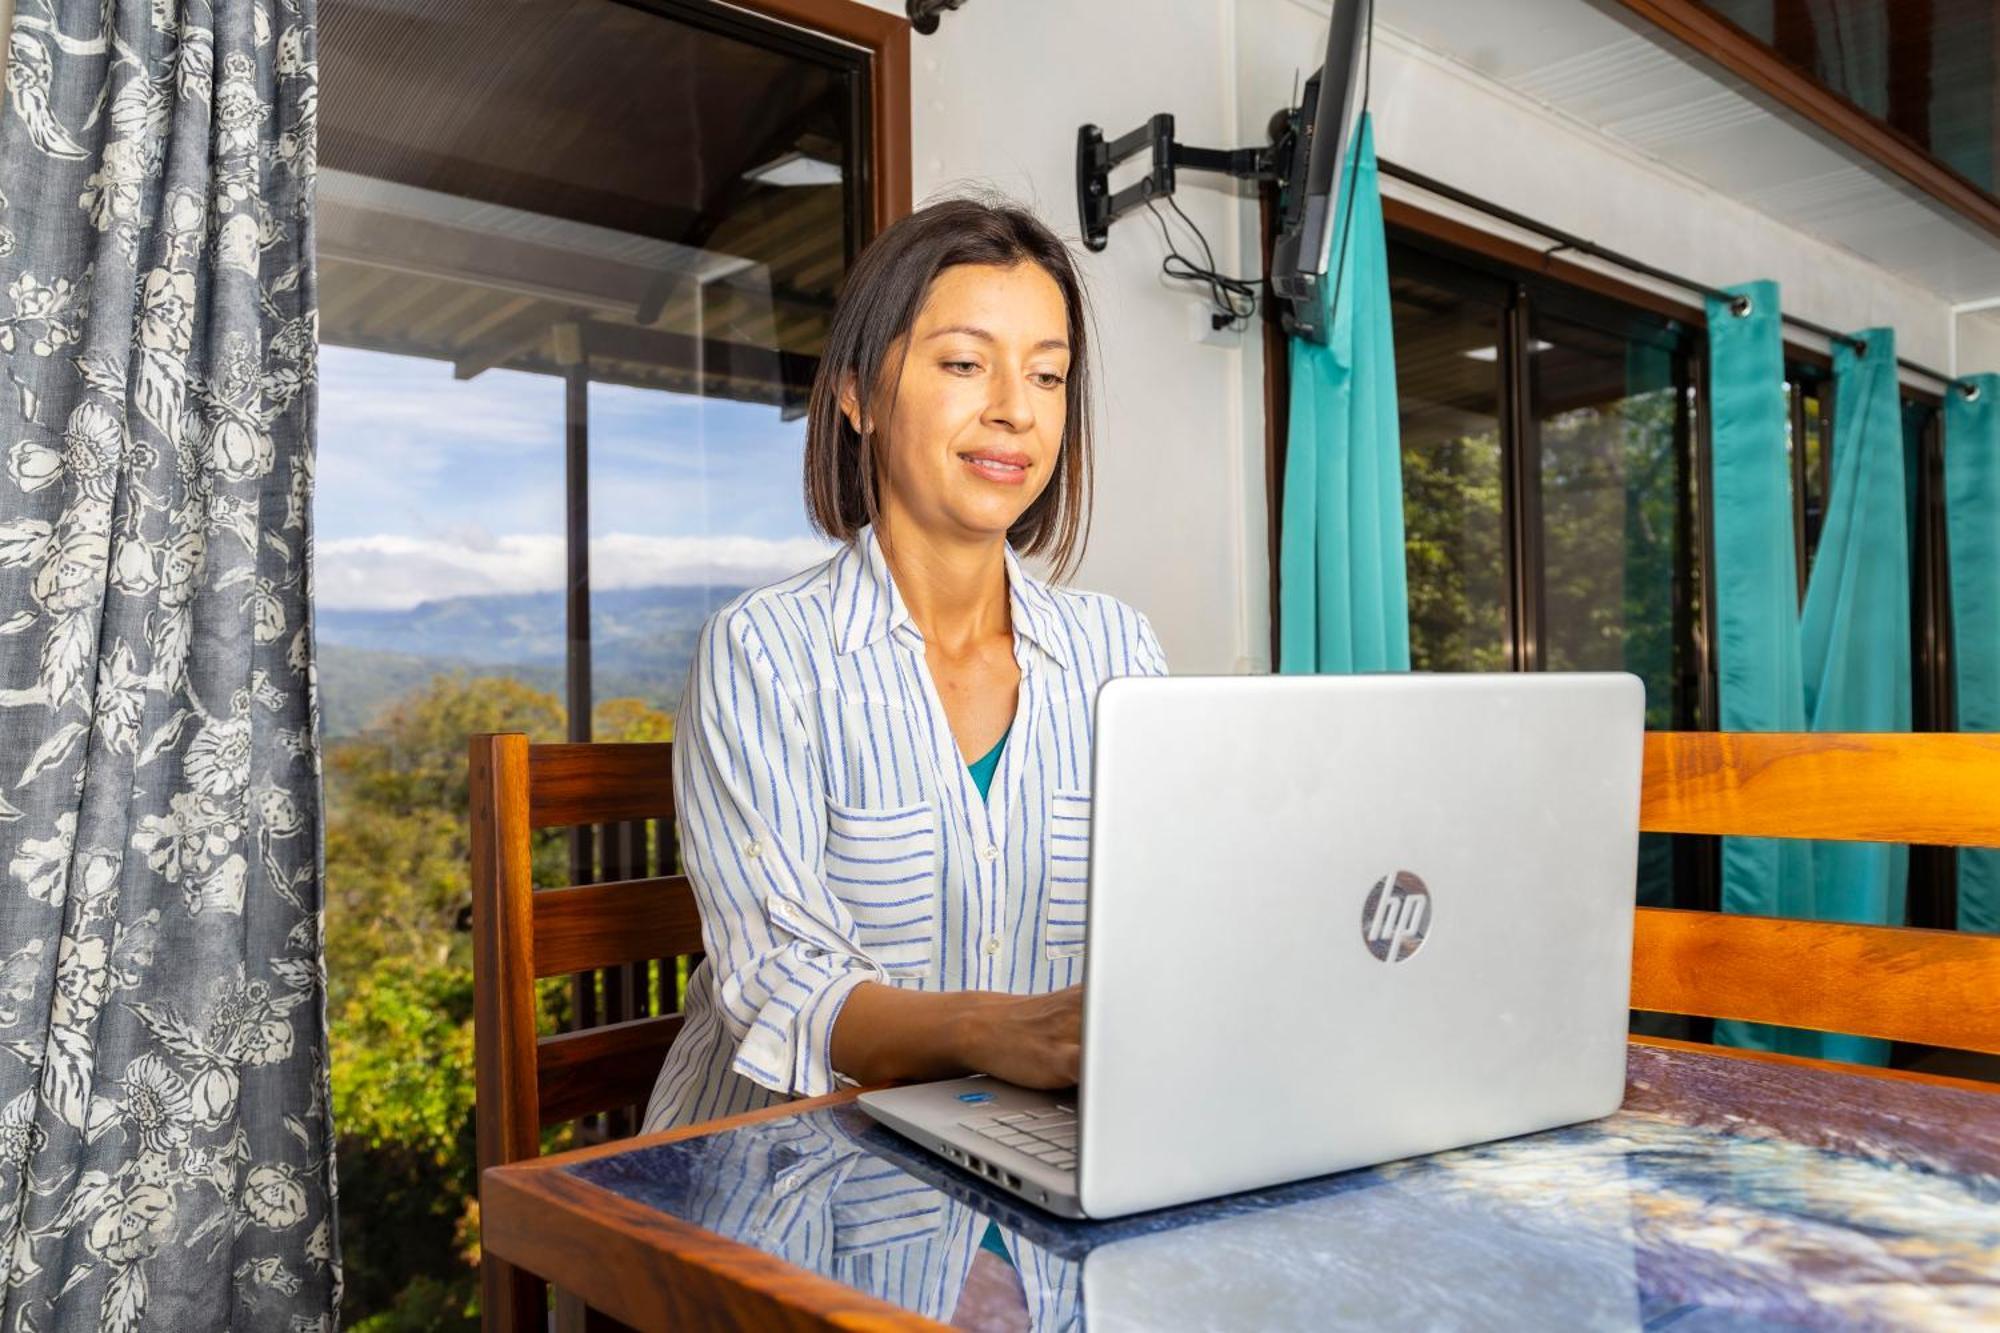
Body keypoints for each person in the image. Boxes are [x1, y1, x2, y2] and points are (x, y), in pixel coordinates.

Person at [642, 196, 1169, 1137]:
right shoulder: (765, 652)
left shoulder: (1119, 654)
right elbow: (780, 980)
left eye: (1048, 376)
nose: (1015, 408)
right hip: (782, 1169)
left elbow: (1173, 918)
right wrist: (998, 1029)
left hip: (1036, 1151)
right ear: (858, 395)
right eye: (965, 363)